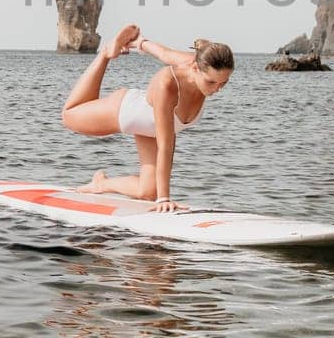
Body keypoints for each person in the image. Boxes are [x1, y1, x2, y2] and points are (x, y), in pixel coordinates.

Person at [60, 24, 234, 212]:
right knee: (69, 116)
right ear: (195, 68)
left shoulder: (200, 62)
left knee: (148, 192)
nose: (217, 89)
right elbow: (166, 144)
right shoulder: (167, 85)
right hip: (126, 112)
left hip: (149, 129)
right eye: (211, 82)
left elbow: (164, 54)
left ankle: (100, 184)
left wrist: (140, 42)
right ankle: (104, 54)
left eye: (223, 83)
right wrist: (164, 199)